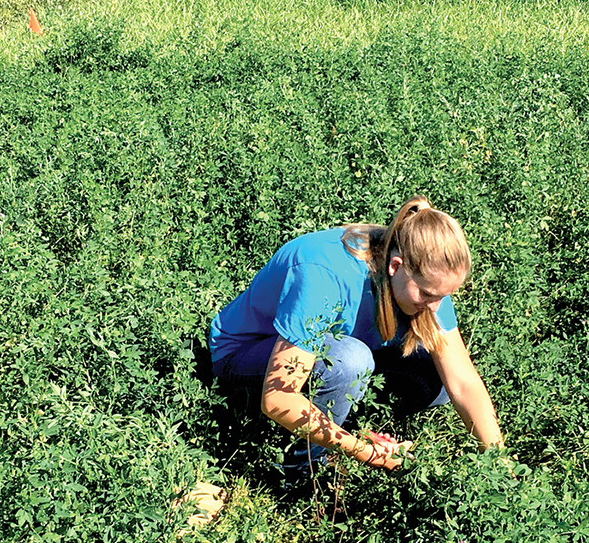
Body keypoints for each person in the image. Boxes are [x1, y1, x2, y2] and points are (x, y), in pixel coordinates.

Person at [208, 195, 503, 491]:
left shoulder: (428, 279)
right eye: (427, 294)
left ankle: (339, 423)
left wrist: (499, 468)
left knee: (436, 381)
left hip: (337, 352)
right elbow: (278, 398)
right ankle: (300, 474)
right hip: (245, 354)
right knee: (348, 362)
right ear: (395, 266)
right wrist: (366, 453)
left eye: (443, 295)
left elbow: (463, 381)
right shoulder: (323, 272)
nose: (436, 305)